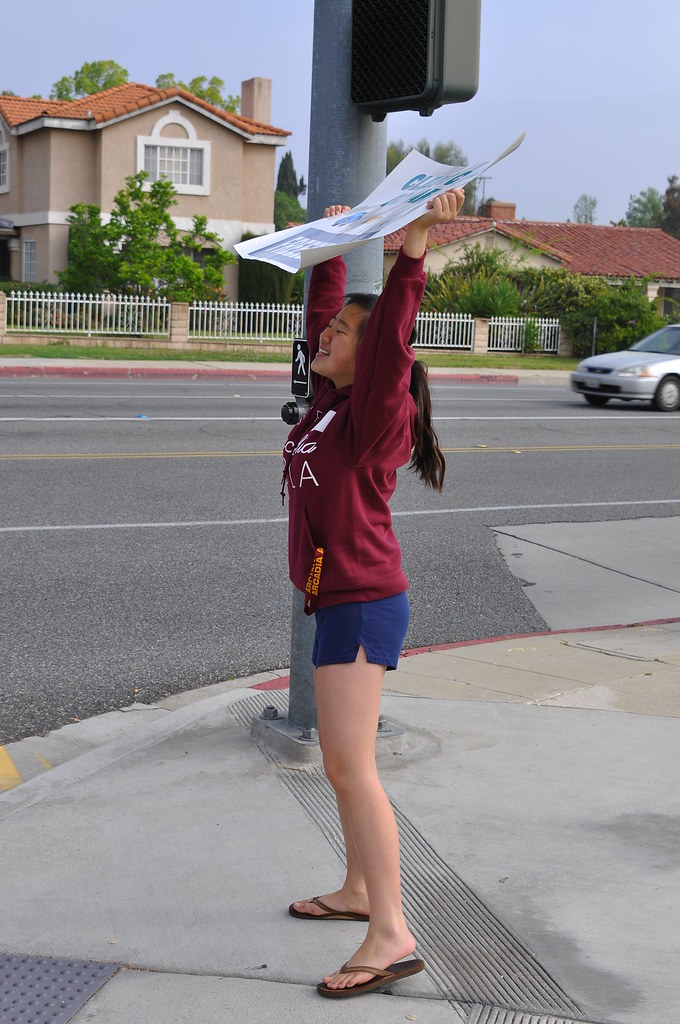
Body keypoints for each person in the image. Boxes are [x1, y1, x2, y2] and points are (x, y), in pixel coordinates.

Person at [282, 188, 466, 998]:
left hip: (361, 599)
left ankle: (389, 931)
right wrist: (330, 246)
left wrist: (412, 251)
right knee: (342, 765)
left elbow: (388, 338)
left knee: (351, 766)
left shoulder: (373, 415)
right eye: (330, 329)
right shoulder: (330, 402)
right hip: (339, 597)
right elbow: (338, 316)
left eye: (342, 334)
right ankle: (358, 891)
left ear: (374, 360)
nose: (328, 336)